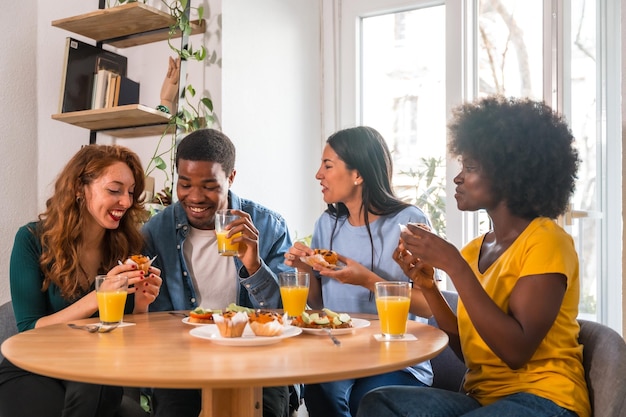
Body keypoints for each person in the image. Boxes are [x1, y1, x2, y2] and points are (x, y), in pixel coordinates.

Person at [357, 96, 591, 417]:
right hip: (481, 400)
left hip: (544, 399)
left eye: (470, 167)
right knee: (379, 401)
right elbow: (469, 352)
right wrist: (429, 287)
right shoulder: (474, 250)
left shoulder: (547, 241)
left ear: (509, 175)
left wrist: (454, 265)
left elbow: (515, 351)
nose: (458, 177)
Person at [0, 144, 163, 417]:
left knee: (93, 385)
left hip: (92, 371)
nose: (125, 201)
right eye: (114, 190)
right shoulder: (31, 240)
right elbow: (29, 329)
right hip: (33, 366)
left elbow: (126, 335)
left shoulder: (128, 247)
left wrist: (142, 306)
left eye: (131, 192)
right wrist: (97, 297)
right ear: (79, 188)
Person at [142, 128, 295, 417]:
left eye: (209, 185)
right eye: (185, 184)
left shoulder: (268, 226)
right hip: (183, 356)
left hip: (257, 354)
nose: (195, 197)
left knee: (269, 410)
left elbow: (287, 314)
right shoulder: (156, 231)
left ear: (231, 178)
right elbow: (157, 321)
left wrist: (254, 265)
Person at [284, 126, 434, 417]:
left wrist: (366, 279)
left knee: (367, 401)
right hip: (338, 354)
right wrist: (304, 268)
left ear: (358, 174)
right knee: (314, 390)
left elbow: (428, 306)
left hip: (396, 359)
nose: (318, 175)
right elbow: (318, 303)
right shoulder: (327, 224)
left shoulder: (409, 222)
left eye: (328, 165)